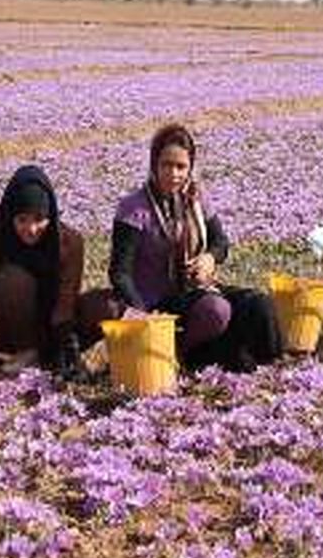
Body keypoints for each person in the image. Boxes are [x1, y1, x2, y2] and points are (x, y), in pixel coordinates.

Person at [79, 123, 282, 372]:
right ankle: (168, 354)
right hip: (152, 302)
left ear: (190, 167)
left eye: (181, 167)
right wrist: (145, 319)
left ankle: (206, 354)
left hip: (191, 292)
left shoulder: (196, 200)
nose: (173, 174)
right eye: (166, 165)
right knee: (216, 310)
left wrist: (209, 257)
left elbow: (221, 243)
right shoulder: (134, 208)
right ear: (154, 163)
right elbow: (119, 272)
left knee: (257, 304)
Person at [0, 166, 83, 376]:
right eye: (22, 219)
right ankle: (28, 352)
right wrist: (1, 294)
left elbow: (67, 300)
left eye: (39, 219)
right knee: (13, 279)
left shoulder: (68, 241)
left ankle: (57, 357)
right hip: (13, 330)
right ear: (10, 215)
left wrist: (61, 344)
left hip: (56, 325)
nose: (31, 229)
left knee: (102, 306)